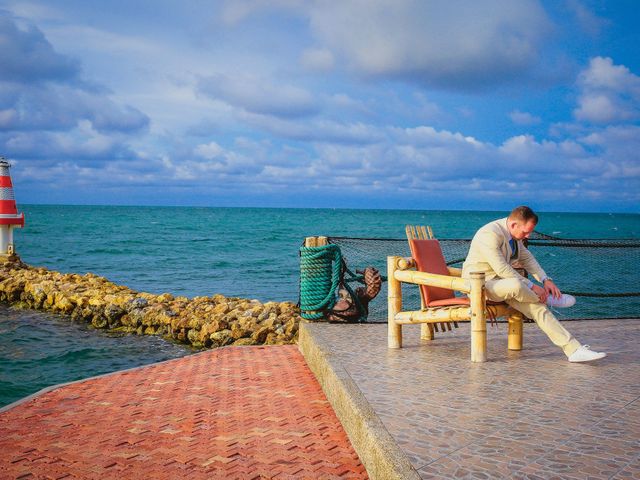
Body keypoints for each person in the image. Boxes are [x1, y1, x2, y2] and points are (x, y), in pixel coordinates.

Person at [462, 206, 606, 362]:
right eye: (525, 232)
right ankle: (546, 298)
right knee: (517, 286)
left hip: (506, 286)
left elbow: (527, 258)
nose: (528, 235)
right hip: (480, 286)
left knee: (538, 309)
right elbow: (502, 268)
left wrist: (545, 280)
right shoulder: (489, 234)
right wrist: (532, 286)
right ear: (513, 225)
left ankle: (573, 350)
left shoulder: (514, 237)